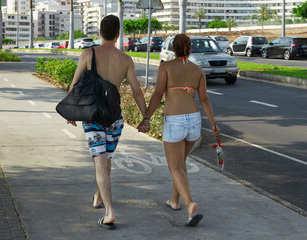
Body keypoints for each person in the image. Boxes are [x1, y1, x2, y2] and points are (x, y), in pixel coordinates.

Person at [67, 15, 149, 230]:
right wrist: (145, 118)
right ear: (118, 35)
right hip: (114, 118)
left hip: (93, 116)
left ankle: (109, 212)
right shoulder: (126, 59)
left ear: (100, 33)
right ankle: (97, 196)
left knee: (100, 162)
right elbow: (137, 91)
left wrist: (71, 111)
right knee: (106, 159)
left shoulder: (88, 54)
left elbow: (74, 85)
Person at [138, 34, 221, 227]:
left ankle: (190, 203)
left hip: (175, 121)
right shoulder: (198, 70)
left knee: (174, 167)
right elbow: (204, 99)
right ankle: (174, 201)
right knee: (180, 164)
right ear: (189, 48)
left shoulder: (166, 66)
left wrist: (146, 117)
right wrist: (214, 124)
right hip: (194, 121)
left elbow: (158, 94)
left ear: (173, 48)